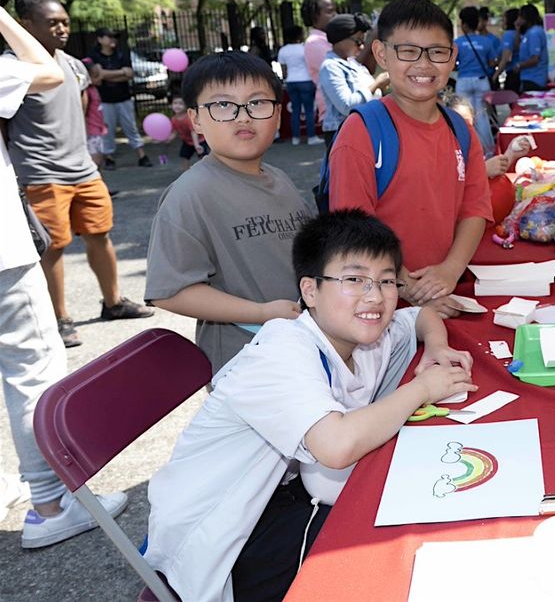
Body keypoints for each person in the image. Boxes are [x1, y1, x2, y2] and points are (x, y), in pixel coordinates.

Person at [144, 209, 476, 602]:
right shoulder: (281, 350)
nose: (375, 296)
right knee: (403, 548)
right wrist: (422, 388)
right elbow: (335, 446)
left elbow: (421, 315)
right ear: (310, 291)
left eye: (387, 281)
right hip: (225, 542)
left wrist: (436, 347)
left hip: (283, 496)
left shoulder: (361, 334)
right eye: (354, 280)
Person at [0, 0, 129, 545]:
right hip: (10, 238)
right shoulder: (19, 61)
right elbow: (45, 75)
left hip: (76, 171)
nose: (61, 28)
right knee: (31, 367)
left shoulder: (73, 63)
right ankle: (50, 504)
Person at [4, 0, 152, 345]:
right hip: (39, 173)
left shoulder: (73, 65)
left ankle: (113, 302)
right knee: (53, 248)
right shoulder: (13, 67)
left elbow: (82, 110)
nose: (62, 29)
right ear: (25, 25)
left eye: (66, 22)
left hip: (83, 170)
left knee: (100, 235)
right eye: (53, 23)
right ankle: (59, 319)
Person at [145, 51, 314, 375]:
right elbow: (171, 293)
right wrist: (261, 312)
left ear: (278, 114)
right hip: (247, 364)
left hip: (302, 349)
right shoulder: (191, 194)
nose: (243, 117)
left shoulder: (280, 179)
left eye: (257, 103)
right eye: (223, 105)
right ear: (195, 119)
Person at [328, 0, 492, 319]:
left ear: (452, 56)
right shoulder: (362, 132)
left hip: (444, 294)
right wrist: (407, 287)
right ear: (381, 54)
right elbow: (353, 229)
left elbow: (474, 210)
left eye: (437, 52)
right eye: (407, 51)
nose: (424, 64)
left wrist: (450, 270)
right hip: (378, 309)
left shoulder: (460, 130)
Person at [318, 13, 387, 151]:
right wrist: (377, 84)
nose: (361, 47)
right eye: (358, 41)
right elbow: (346, 105)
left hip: (363, 128)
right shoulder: (330, 67)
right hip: (342, 132)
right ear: (340, 40)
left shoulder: (353, 64)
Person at [87, 27, 151, 168]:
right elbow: (99, 75)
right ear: (100, 39)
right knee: (107, 130)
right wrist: (121, 72)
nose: (113, 40)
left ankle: (142, 155)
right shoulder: (94, 56)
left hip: (124, 97)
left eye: (114, 37)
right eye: (109, 37)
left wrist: (108, 75)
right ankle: (109, 157)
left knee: (131, 127)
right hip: (105, 99)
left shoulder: (121, 55)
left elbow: (129, 74)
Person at [454, 6, 498, 155]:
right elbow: (492, 62)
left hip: (463, 82)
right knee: (482, 116)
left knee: (464, 117)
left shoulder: (457, 43)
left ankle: (466, 151)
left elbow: (452, 64)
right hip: (481, 81)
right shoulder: (486, 41)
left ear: (464, 24)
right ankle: (488, 152)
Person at [277, 24, 319, 145]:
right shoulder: (304, 48)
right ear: (300, 35)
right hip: (305, 80)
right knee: (309, 110)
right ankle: (311, 137)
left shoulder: (283, 50)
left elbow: (284, 70)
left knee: (295, 110)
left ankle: (295, 138)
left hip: (291, 81)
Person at [302, 0, 338, 120]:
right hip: (334, 112)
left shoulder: (330, 39)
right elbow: (339, 69)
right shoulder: (314, 42)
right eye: (329, 11)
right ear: (315, 15)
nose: (335, 15)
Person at [147, 95, 201, 169]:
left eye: (180, 104)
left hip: (199, 140)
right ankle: (186, 171)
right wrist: (168, 139)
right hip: (187, 142)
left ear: (186, 106)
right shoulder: (174, 119)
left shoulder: (188, 118)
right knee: (184, 156)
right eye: (175, 103)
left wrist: (197, 144)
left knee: (203, 157)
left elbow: (193, 131)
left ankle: (207, 171)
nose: (177, 106)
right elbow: (175, 132)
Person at [513, 4, 549, 91]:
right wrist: (517, 29)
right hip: (527, 77)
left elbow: (535, 59)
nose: (518, 19)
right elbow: (517, 47)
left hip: (534, 79)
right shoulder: (527, 33)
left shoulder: (534, 33)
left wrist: (519, 65)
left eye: (520, 16)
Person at [82, 73, 107, 170]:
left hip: (98, 129)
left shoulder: (95, 89)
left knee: (100, 160)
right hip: (91, 130)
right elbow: (83, 112)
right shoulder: (86, 92)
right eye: (96, 75)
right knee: (95, 162)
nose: (101, 77)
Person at [496, 8, 522, 91]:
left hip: (512, 73)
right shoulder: (520, 34)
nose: (503, 21)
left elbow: (506, 58)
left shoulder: (508, 35)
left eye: (504, 18)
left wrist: (496, 75)